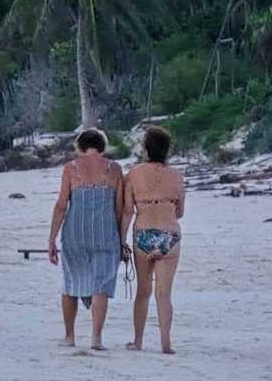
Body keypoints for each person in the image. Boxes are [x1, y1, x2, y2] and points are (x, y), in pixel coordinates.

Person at [47, 129, 129, 350]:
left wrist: (52, 238)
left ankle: (69, 336)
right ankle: (96, 339)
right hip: (105, 232)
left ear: (80, 147)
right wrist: (121, 240)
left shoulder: (71, 168)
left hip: (75, 232)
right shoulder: (115, 169)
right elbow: (120, 208)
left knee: (71, 282)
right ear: (102, 146)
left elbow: (61, 205)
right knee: (101, 286)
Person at [123, 127, 185, 355]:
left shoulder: (133, 174)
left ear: (146, 148)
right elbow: (180, 212)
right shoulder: (177, 176)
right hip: (169, 235)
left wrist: (121, 238)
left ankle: (138, 341)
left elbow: (128, 211)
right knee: (164, 293)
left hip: (143, 234)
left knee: (143, 291)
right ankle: (166, 343)